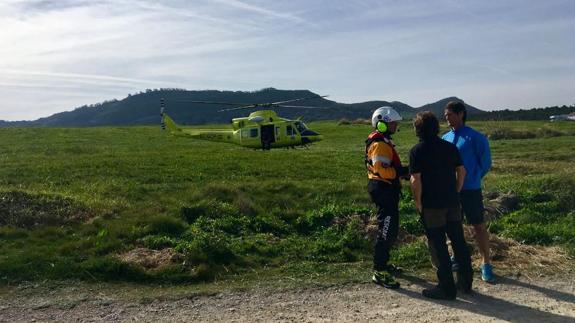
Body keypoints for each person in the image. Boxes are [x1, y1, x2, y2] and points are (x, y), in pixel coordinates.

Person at [409, 111, 473, 300]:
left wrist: (418, 202)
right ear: (436, 127)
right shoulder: (449, 147)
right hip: (452, 202)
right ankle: (465, 283)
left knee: (439, 245)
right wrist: (456, 191)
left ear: (418, 129)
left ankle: (446, 288)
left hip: (432, 205)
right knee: (459, 242)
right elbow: (462, 171)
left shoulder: (416, 151)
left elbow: (415, 180)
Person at [442, 101, 494, 282]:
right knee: (453, 227)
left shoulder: (476, 137)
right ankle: (456, 257)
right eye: (445, 115)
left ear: (461, 114)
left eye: (449, 114)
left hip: (471, 190)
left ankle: (486, 263)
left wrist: (473, 178)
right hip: (451, 191)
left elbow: (486, 163)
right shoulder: (445, 138)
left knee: (478, 226)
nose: (447, 118)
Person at [365, 106, 409, 289]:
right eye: (392, 123)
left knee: (390, 227)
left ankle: (384, 264)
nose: (395, 125)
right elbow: (382, 170)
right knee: (387, 228)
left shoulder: (383, 141)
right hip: (383, 188)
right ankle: (379, 270)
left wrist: (399, 172)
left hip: (385, 188)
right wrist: (401, 172)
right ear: (382, 124)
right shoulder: (380, 144)